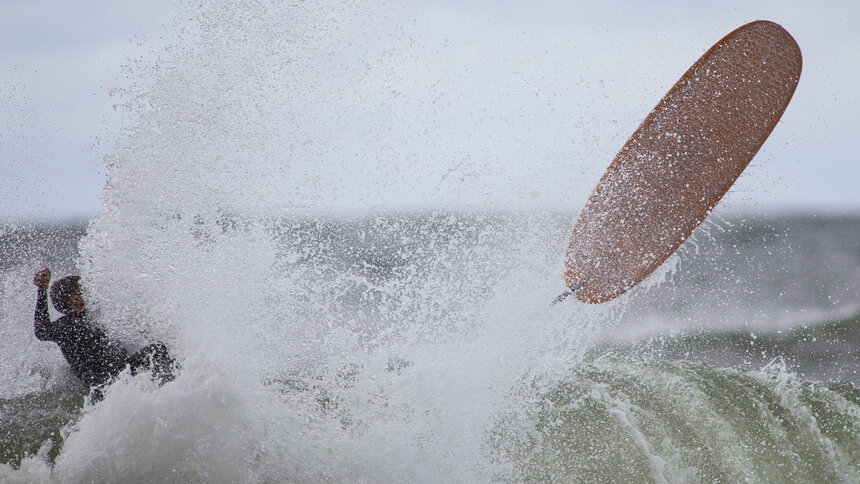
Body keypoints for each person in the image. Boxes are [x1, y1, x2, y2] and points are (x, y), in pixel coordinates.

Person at [33, 268, 176, 390]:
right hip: (117, 376)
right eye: (84, 290)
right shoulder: (84, 321)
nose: (89, 293)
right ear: (75, 300)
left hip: (98, 383)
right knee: (159, 349)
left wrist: (42, 291)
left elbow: (41, 330)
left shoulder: (62, 327)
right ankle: (175, 385)